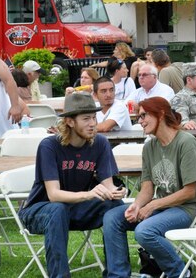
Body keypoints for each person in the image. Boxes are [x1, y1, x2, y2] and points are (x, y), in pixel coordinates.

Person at [103, 97, 196, 278]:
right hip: (165, 206)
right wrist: (138, 205)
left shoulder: (185, 142)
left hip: (192, 207)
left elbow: (189, 191)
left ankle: (179, 273)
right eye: (138, 117)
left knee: (145, 231)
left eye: (143, 115)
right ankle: (118, 275)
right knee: (112, 217)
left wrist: (152, 206)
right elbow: (147, 187)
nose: (140, 122)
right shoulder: (149, 147)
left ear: (161, 114)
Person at [18, 92, 126, 278]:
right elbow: (54, 195)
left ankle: (117, 275)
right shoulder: (49, 146)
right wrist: (89, 194)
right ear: (69, 122)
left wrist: (116, 191)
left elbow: (107, 184)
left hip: (76, 211)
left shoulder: (100, 143)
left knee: (114, 206)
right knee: (57, 209)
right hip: (40, 211)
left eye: (94, 117)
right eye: (86, 119)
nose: (93, 123)